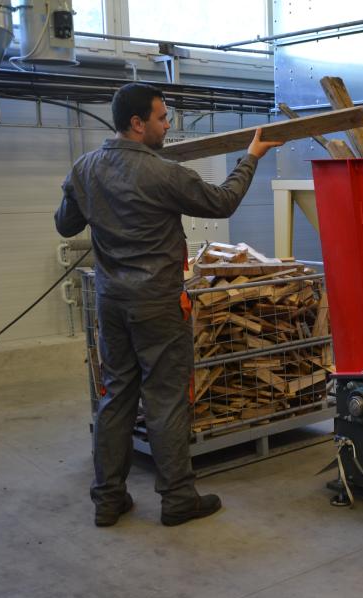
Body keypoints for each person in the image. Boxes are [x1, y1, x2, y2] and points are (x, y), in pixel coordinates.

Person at [54, 82, 282, 527]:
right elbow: (223, 202)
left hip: (111, 302)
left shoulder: (85, 168)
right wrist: (251, 157)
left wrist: (77, 193)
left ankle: (108, 499)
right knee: (165, 398)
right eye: (162, 118)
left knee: (116, 394)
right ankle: (177, 498)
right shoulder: (163, 172)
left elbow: (66, 225)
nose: (167, 125)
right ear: (137, 124)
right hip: (157, 302)